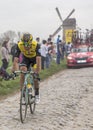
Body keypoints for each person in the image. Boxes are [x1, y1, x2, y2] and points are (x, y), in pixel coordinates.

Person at [12, 33, 41, 103]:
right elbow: (16, 59)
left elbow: (38, 59)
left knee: (35, 76)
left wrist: (38, 70)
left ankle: (37, 94)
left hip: (34, 59)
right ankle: (23, 95)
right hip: (26, 58)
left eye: (28, 45)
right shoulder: (19, 45)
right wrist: (14, 70)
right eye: (24, 44)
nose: (26, 46)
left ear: (31, 42)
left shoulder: (36, 45)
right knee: (22, 72)